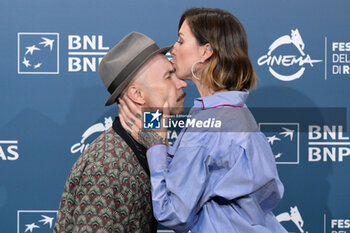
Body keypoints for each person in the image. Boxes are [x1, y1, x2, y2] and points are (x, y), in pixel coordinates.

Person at [119, 8, 288, 233]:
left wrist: (155, 144)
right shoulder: (232, 112)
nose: (173, 49)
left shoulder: (209, 126)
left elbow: (173, 214)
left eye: (180, 40)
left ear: (206, 51)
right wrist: (152, 121)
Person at [53, 32, 187, 233]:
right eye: (169, 76)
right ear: (137, 94)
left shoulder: (149, 146)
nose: (182, 83)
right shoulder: (107, 166)